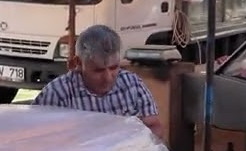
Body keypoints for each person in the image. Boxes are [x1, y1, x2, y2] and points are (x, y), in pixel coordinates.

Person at [34, 24, 164, 138]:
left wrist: (132, 146)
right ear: (78, 63)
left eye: (114, 68)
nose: (108, 77)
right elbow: (36, 139)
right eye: (98, 70)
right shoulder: (58, 94)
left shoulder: (132, 84)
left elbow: (155, 127)